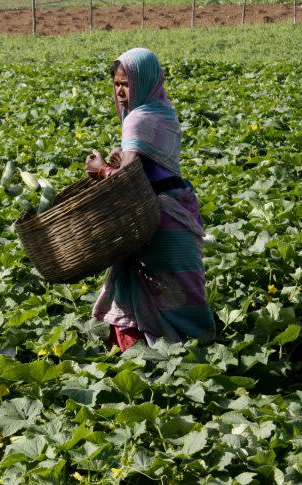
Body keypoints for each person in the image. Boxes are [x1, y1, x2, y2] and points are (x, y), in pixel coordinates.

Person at [85, 47, 216, 352]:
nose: (120, 91)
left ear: (143, 83)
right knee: (181, 287)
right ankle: (192, 344)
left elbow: (129, 182)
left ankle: (154, 354)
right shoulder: (162, 110)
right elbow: (145, 168)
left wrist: (103, 168)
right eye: (116, 83)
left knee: (157, 285)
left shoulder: (137, 120)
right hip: (176, 205)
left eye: (126, 83)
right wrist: (122, 164)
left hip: (159, 218)